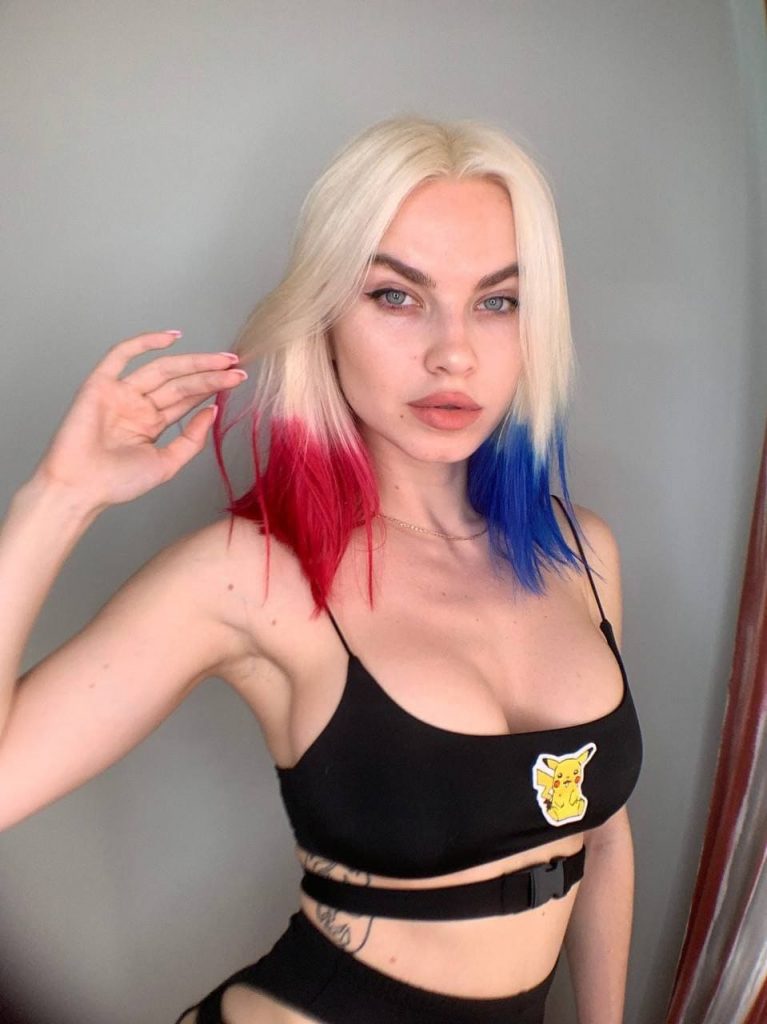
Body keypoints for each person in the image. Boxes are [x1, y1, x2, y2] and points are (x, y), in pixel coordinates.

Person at [0, 116, 642, 1024]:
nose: (453, 351)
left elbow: (599, 838)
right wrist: (57, 498)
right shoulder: (251, 578)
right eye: (396, 296)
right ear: (324, 317)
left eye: (497, 301)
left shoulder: (581, 552)